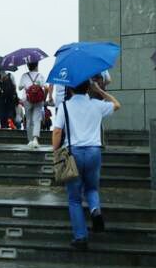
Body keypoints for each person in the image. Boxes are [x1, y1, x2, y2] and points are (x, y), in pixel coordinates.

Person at [52, 79, 121, 250]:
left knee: (74, 198)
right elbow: (117, 105)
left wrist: (55, 153)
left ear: (70, 89)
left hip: (72, 152)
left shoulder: (65, 106)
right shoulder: (97, 105)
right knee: (91, 188)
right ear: (87, 88)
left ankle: (81, 237)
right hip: (93, 152)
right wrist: (99, 90)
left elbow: (57, 131)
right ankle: (95, 210)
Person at [18, 61, 49, 148]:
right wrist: (44, 98)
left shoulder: (24, 76)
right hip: (39, 101)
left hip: (27, 100)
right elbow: (46, 87)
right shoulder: (40, 75)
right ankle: (35, 139)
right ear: (37, 65)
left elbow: (19, 87)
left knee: (28, 120)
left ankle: (30, 140)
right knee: (36, 119)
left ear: (28, 66)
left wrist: (26, 85)